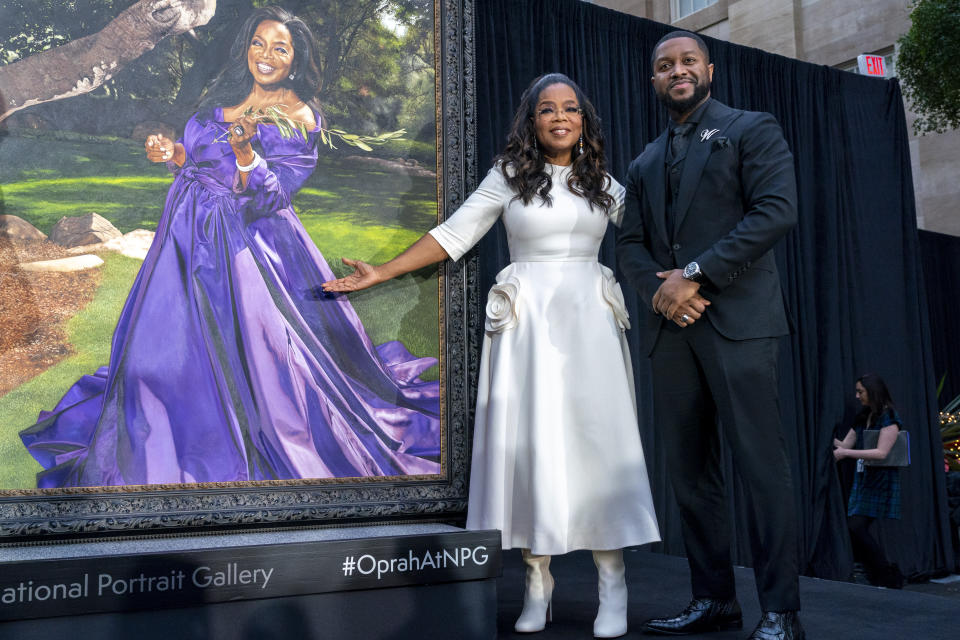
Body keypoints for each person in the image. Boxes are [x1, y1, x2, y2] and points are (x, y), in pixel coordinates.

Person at [19, 6, 440, 486]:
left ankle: (235, 439)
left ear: (295, 60)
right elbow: (193, 156)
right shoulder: (225, 95)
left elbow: (273, 194)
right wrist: (169, 152)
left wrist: (246, 153)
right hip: (185, 231)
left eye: (280, 48)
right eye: (258, 43)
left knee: (259, 357)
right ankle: (162, 417)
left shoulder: (300, 115)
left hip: (243, 247)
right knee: (163, 343)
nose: (266, 55)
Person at [323, 73, 660, 638]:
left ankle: (612, 581)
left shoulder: (605, 184)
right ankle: (536, 581)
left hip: (591, 325)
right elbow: (454, 234)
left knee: (599, 443)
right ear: (531, 122)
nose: (560, 117)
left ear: (584, 120)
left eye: (570, 109)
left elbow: (650, 241)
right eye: (547, 109)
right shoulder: (508, 178)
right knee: (526, 446)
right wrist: (382, 271)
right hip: (525, 327)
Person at [616, 31, 803, 640]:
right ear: (653, 80)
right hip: (672, 334)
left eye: (688, 61)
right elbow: (630, 246)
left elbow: (774, 211)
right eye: (665, 65)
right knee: (692, 476)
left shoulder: (752, 128)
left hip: (739, 324)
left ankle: (782, 611)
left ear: (709, 69)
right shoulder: (643, 161)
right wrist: (659, 292)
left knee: (761, 469)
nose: (677, 70)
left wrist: (694, 277)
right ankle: (715, 600)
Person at [833, 373, 905, 589]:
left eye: (860, 392)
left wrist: (847, 454)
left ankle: (887, 574)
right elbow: (844, 443)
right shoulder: (863, 416)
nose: (857, 396)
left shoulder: (889, 418)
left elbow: (882, 453)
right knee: (855, 528)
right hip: (863, 479)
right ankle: (881, 574)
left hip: (880, 480)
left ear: (872, 392)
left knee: (856, 526)